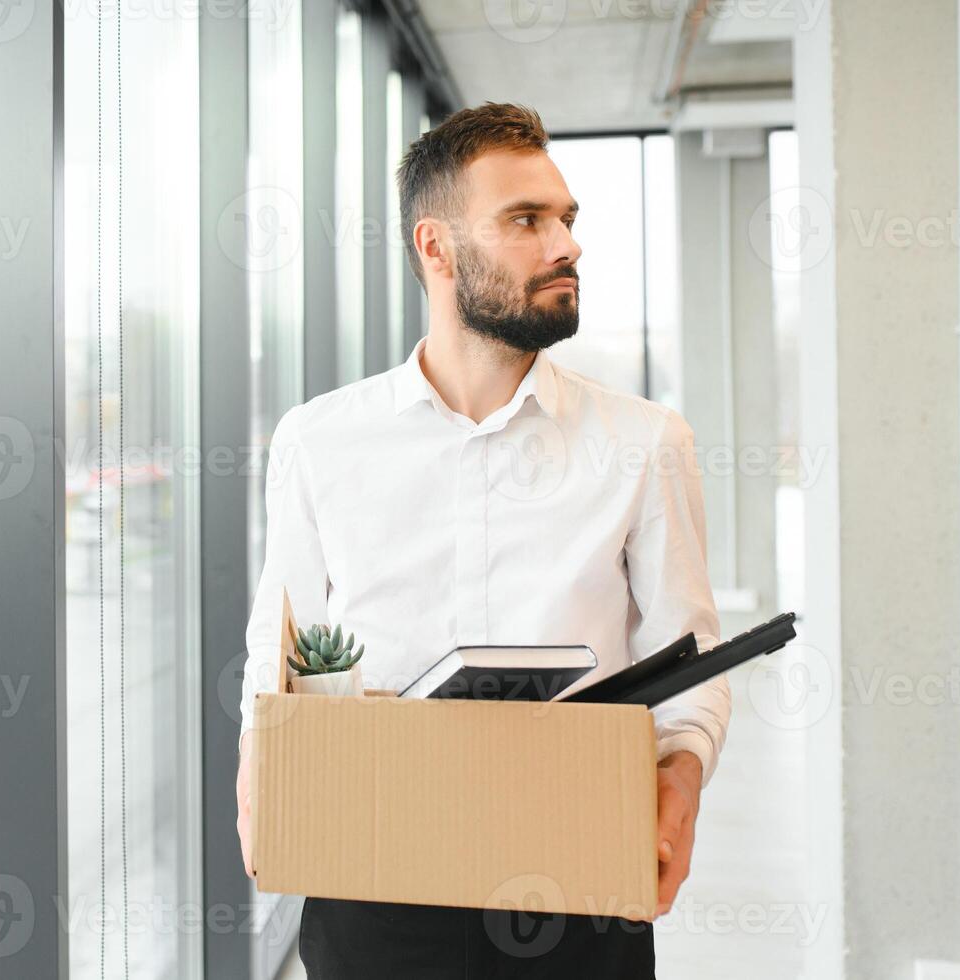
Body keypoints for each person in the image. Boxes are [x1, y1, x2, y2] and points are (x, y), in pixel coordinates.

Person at [235, 101, 729, 978]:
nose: (565, 245)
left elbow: (686, 658)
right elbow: (276, 647)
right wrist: (258, 770)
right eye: (525, 221)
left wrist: (680, 782)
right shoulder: (320, 441)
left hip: (577, 884)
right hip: (373, 876)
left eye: (566, 219)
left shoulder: (644, 441)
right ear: (435, 248)